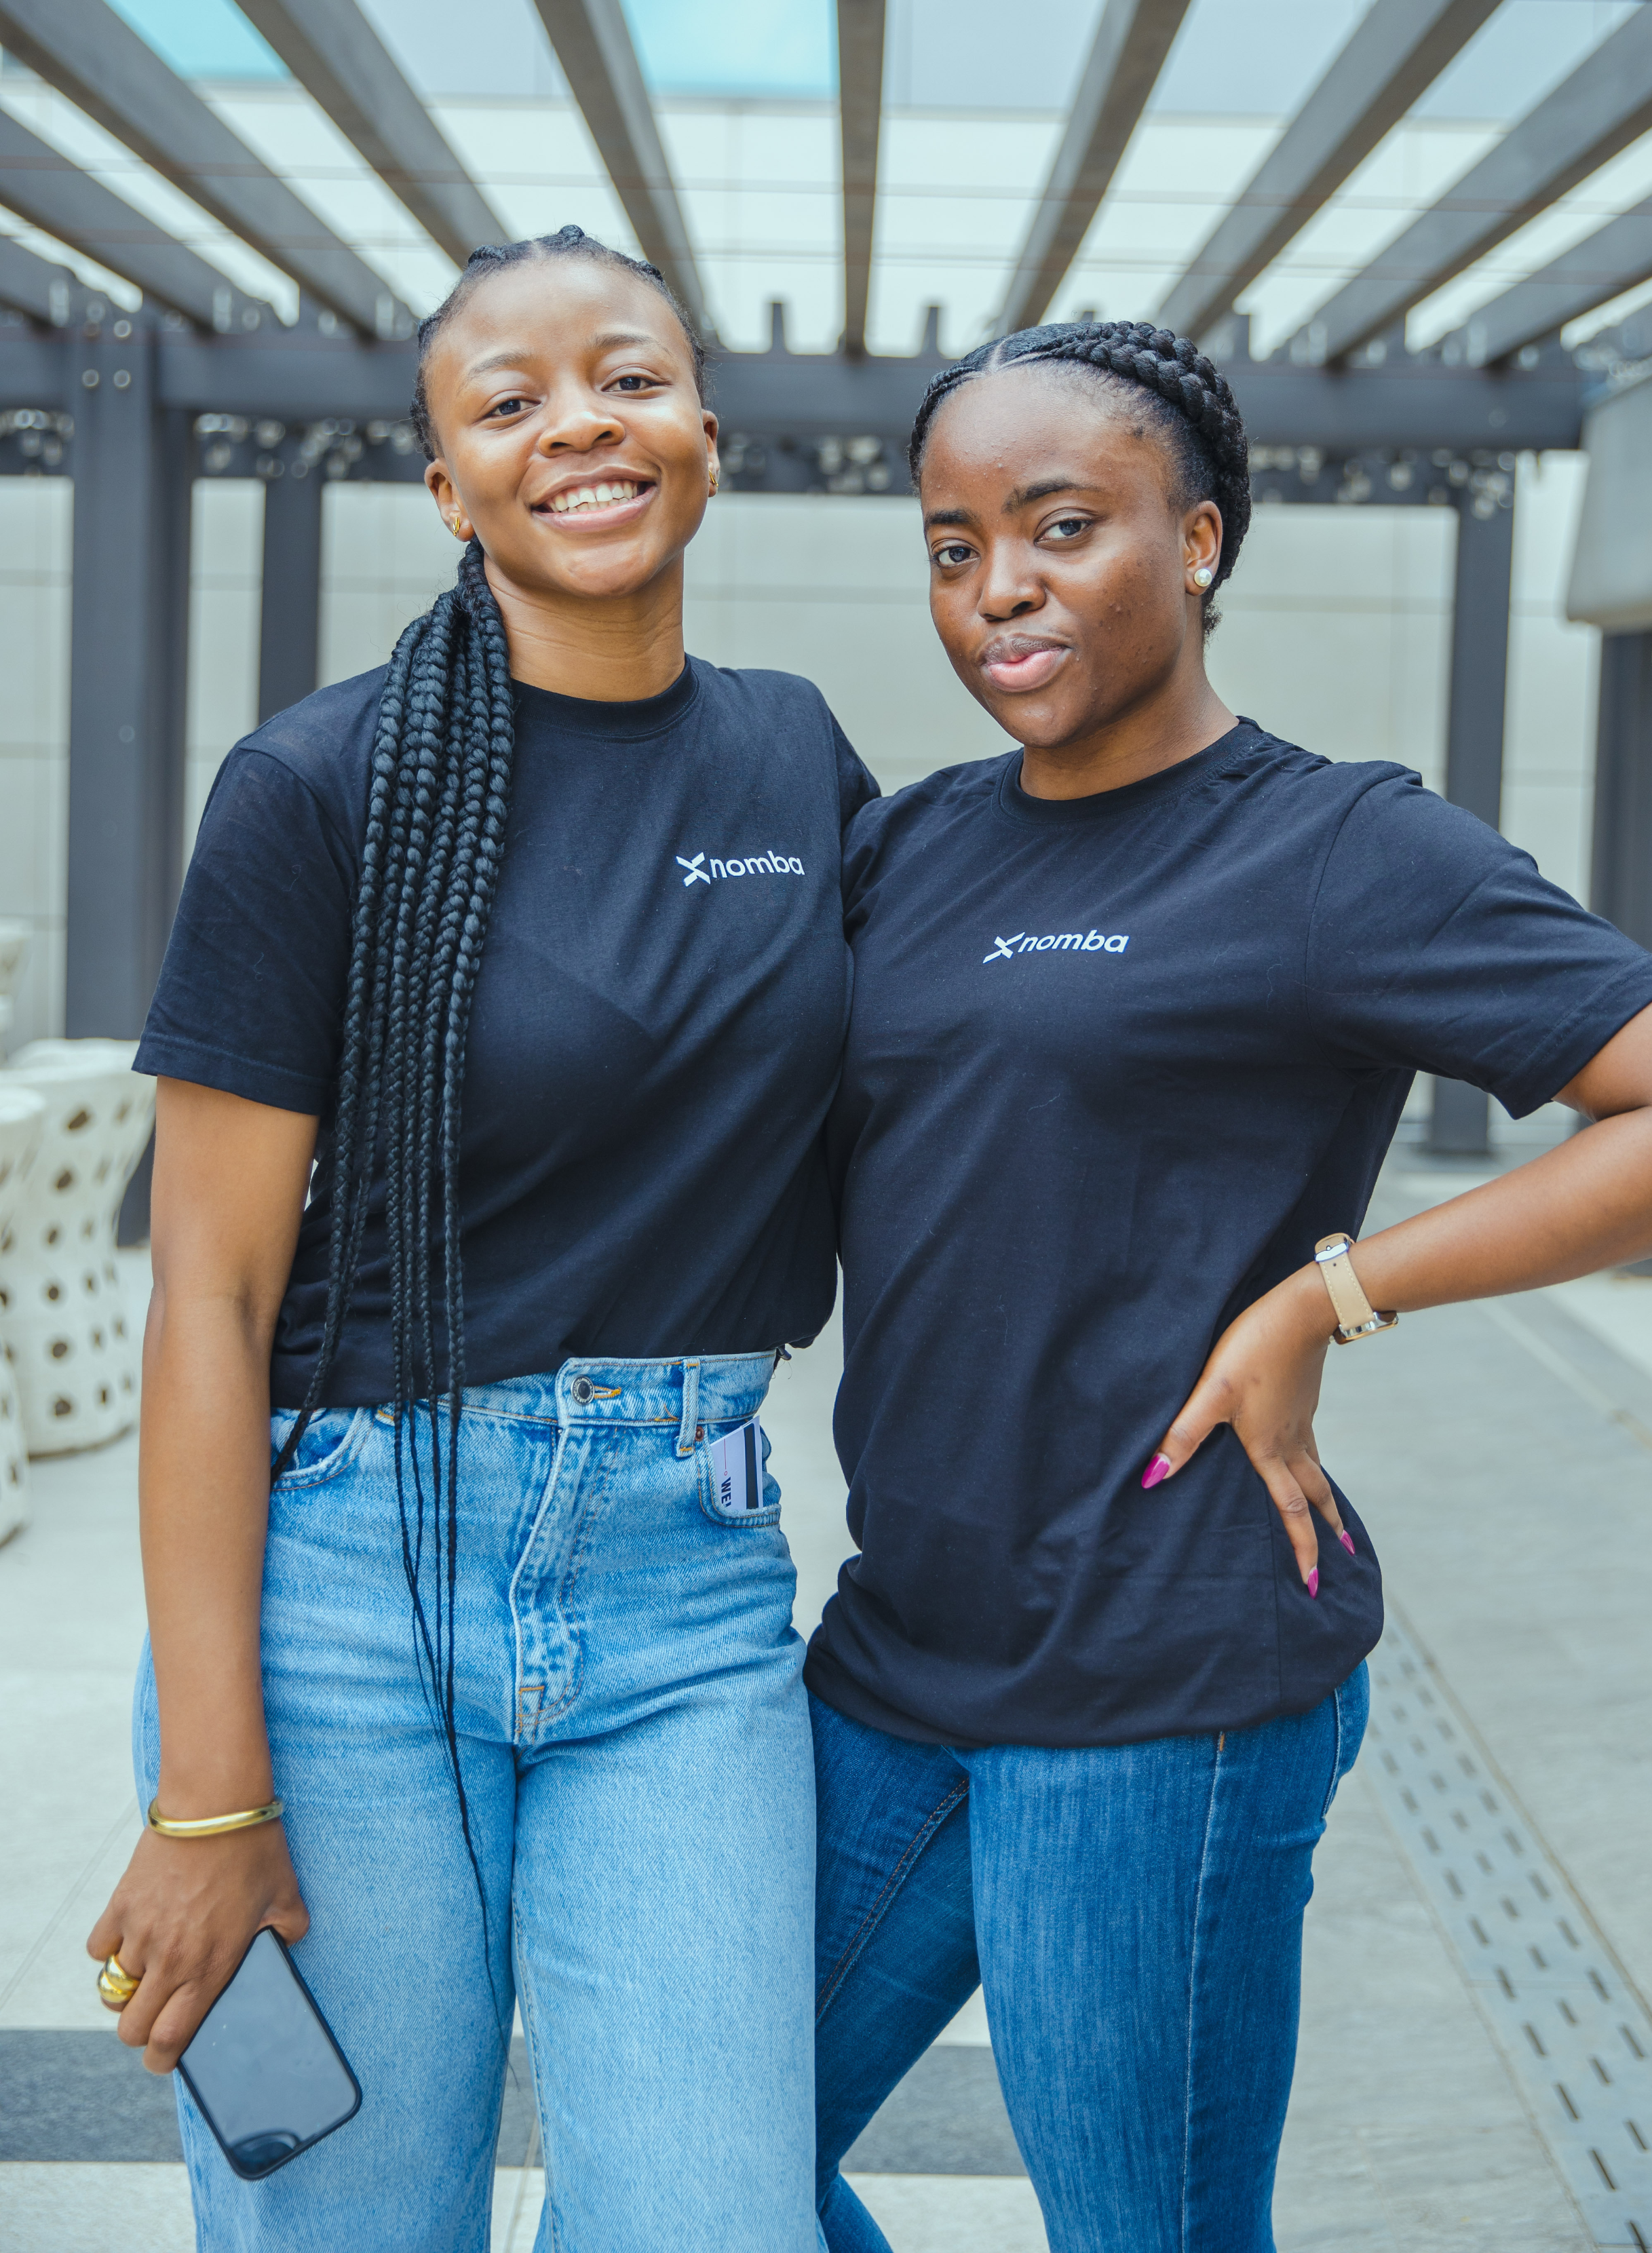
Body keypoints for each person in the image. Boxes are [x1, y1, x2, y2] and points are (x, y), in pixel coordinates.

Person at [808, 319, 1652, 2253]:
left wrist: (1326, 1299)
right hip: (898, 1653)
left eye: (1059, 525)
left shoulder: (1337, 847)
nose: (999, 588)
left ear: (1196, 540)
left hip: (1161, 1684)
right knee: (693, 2170)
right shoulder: (914, 846)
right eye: (952, 545)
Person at [86, 226, 877, 2252]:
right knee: (344, 2221)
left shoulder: (798, 758)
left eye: (625, 377)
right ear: (448, 487)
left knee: (714, 2225)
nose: (579, 428)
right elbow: (212, 1302)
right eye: (506, 404)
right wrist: (208, 1790)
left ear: (707, 423)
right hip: (347, 1598)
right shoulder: (316, 787)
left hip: (686, 1599)